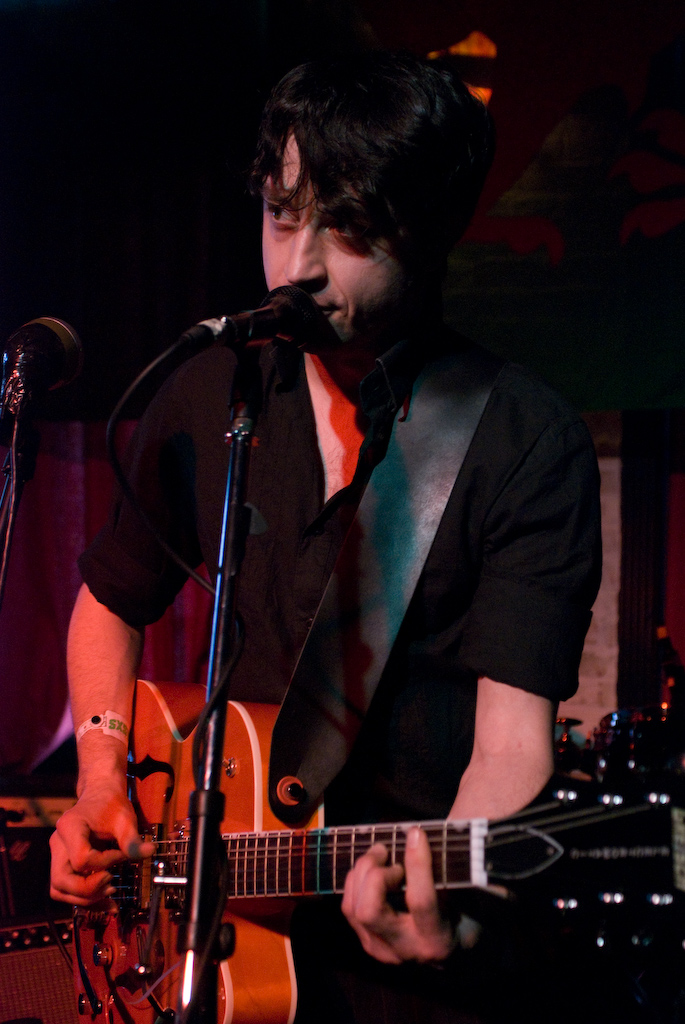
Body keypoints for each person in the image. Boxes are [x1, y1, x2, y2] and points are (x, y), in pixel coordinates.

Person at [49, 52, 601, 1022]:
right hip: (222, 957)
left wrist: (457, 908)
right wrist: (101, 771)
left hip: (402, 967)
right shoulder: (213, 391)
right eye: (281, 212)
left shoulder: (523, 438)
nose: (297, 265)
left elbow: (511, 746)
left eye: (344, 227)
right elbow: (109, 598)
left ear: (431, 232)